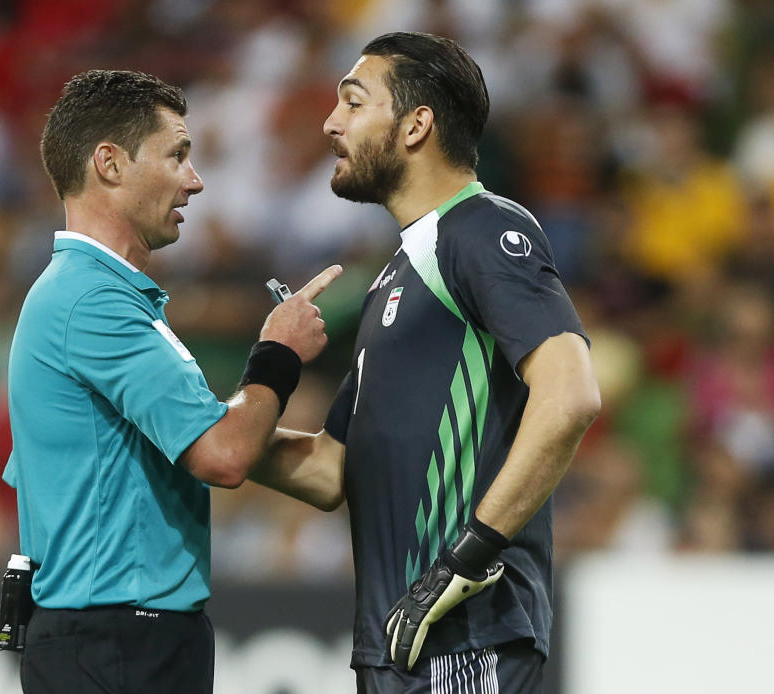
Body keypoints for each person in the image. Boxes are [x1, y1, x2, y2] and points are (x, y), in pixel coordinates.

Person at [249, 32, 601, 693]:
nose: (331, 122)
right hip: (397, 648)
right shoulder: (396, 275)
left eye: (354, 102)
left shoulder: (483, 229)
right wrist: (206, 430)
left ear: (416, 125)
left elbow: (570, 392)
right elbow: (331, 469)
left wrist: (466, 559)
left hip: (466, 639)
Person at [1, 69, 340, 694]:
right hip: (118, 644)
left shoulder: (87, 298)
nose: (195, 179)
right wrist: (278, 353)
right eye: (177, 155)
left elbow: (191, 440)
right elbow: (223, 454)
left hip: (111, 639)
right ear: (109, 163)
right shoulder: (94, 302)